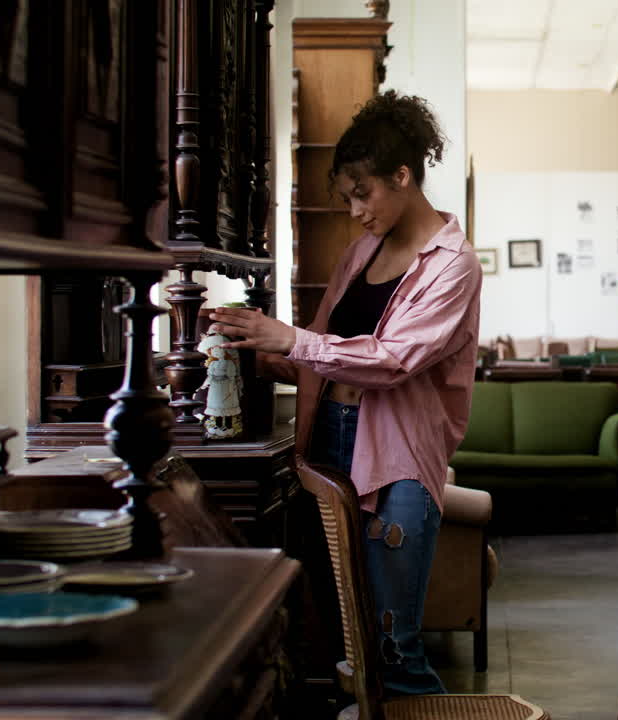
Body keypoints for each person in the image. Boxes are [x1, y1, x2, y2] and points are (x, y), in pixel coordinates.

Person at [209, 90, 480, 696]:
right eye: (347, 198)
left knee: (393, 648)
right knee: (345, 641)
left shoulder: (454, 265)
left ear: (402, 176)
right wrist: (254, 349)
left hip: (397, 460)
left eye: (363, 193)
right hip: (328, 443)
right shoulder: (361, 253)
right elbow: (324, 357)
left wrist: (290, 337)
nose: (355, 211)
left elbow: (393, 361)